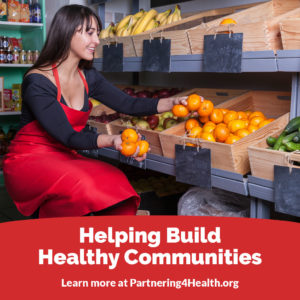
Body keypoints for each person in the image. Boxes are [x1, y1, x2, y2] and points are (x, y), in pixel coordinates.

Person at [3, 5, 187, 218]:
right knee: (86, 185)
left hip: (63, 156)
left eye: (97, 34)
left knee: (116, 180)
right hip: (30, 161)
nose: (97, 41)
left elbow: (129, 104)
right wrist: (113, 140)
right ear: (67, 32)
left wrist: (173, 102)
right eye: (89, 33)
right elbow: (69, 136)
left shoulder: (88, 77)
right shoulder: (38, 81)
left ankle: (103, 243)